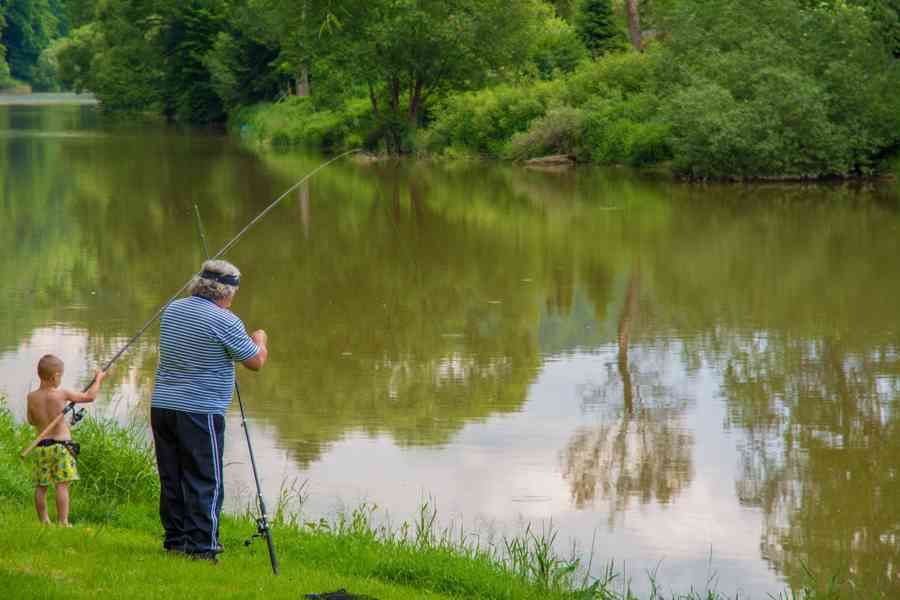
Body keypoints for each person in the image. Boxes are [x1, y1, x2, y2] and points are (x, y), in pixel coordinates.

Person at [150, 259, 268, 562]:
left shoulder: (173, 309)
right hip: (200, 410)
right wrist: (260, 340)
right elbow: (254, 362)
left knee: (172, 476)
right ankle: (203, 547)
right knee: (205, 478)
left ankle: (175, 540)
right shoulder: (225, 321)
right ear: (227, 292)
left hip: (163, 405)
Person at [26, 354, 106, 526]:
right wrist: (98, 379)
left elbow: (31, 420)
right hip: (61, 448)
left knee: (41, 487)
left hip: (42, 448)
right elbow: (89, 397)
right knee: (62, 486)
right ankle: (63, 522)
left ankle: (44, 522)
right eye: (60, 376)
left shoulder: (31, 397)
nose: (60, 379)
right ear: (55, 376)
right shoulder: (62, 394)